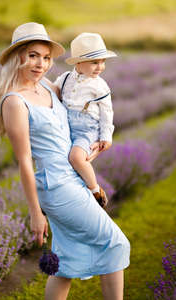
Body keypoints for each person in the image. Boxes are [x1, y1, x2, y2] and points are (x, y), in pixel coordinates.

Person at [0, 22, 130, 300]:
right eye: (32, 55)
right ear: (16, 56)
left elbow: (79, 108)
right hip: (55, 186)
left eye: (45, 57)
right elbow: (25, 161)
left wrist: (98, 140)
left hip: (72, 177)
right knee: (115, 243)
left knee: (64, 263)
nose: (40, 64)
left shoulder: (47, 86)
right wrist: (35, 212)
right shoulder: (15, 102)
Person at [54, 32, 116, 208]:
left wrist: (106, 137)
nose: (100, 67)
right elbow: (52, 92)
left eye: (103, 62)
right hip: (65, 126)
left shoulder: (100, 85)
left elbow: (106, 112)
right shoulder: (65, 78)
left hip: (86, 129)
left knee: (76, 158)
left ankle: (95, 190)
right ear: (78, 63)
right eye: (95, 62)